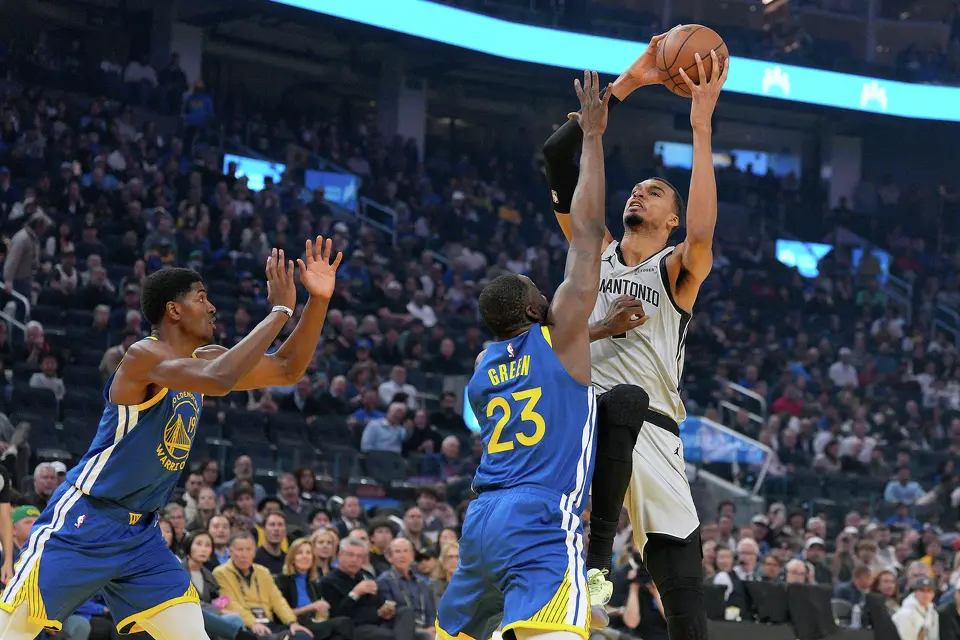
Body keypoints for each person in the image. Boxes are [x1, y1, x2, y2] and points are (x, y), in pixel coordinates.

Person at [0, 237, 342, 640]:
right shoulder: (143, 356)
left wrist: (316, 301)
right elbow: (220, 381)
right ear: (174, 310)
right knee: (13, 633)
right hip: (85, 521)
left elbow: (287, 369)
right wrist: (280, 311)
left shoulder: (207, 357)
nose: (213, 307)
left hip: (142, 535)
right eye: (202, 298)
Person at [542, 35, 728, 638]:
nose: (637, 191)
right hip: (583, 412)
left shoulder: (675, 270)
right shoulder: (590, 249)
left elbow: (702, 232)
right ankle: (593, 568)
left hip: (656, 432)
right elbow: (556, 157)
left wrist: (701, 126)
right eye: (636, 187)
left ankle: (600, 571)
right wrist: (631, 81)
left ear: (669, 220)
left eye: (654, 192)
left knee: (685, 598)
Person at [436, 69, 612, 640]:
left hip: (482, 519)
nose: (546, 286)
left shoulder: (483, 374)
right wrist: (592, 137)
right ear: (538, 309)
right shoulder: (558, 332)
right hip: (540, 515)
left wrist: (599, 328)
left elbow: (547, 370)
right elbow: (587, 235)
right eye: (540, 287)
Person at [214, 532, 315, 640]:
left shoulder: (263, 572)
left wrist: (292, 622)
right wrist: (252, 623)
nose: (244, 554)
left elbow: (278, 600)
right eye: (240, 550)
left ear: (254, 552)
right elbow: (230, 603)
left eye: (248, 549)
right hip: (244, 625)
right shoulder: (220, 573)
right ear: (231, 551)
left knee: (302, 636)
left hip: (268, 623)